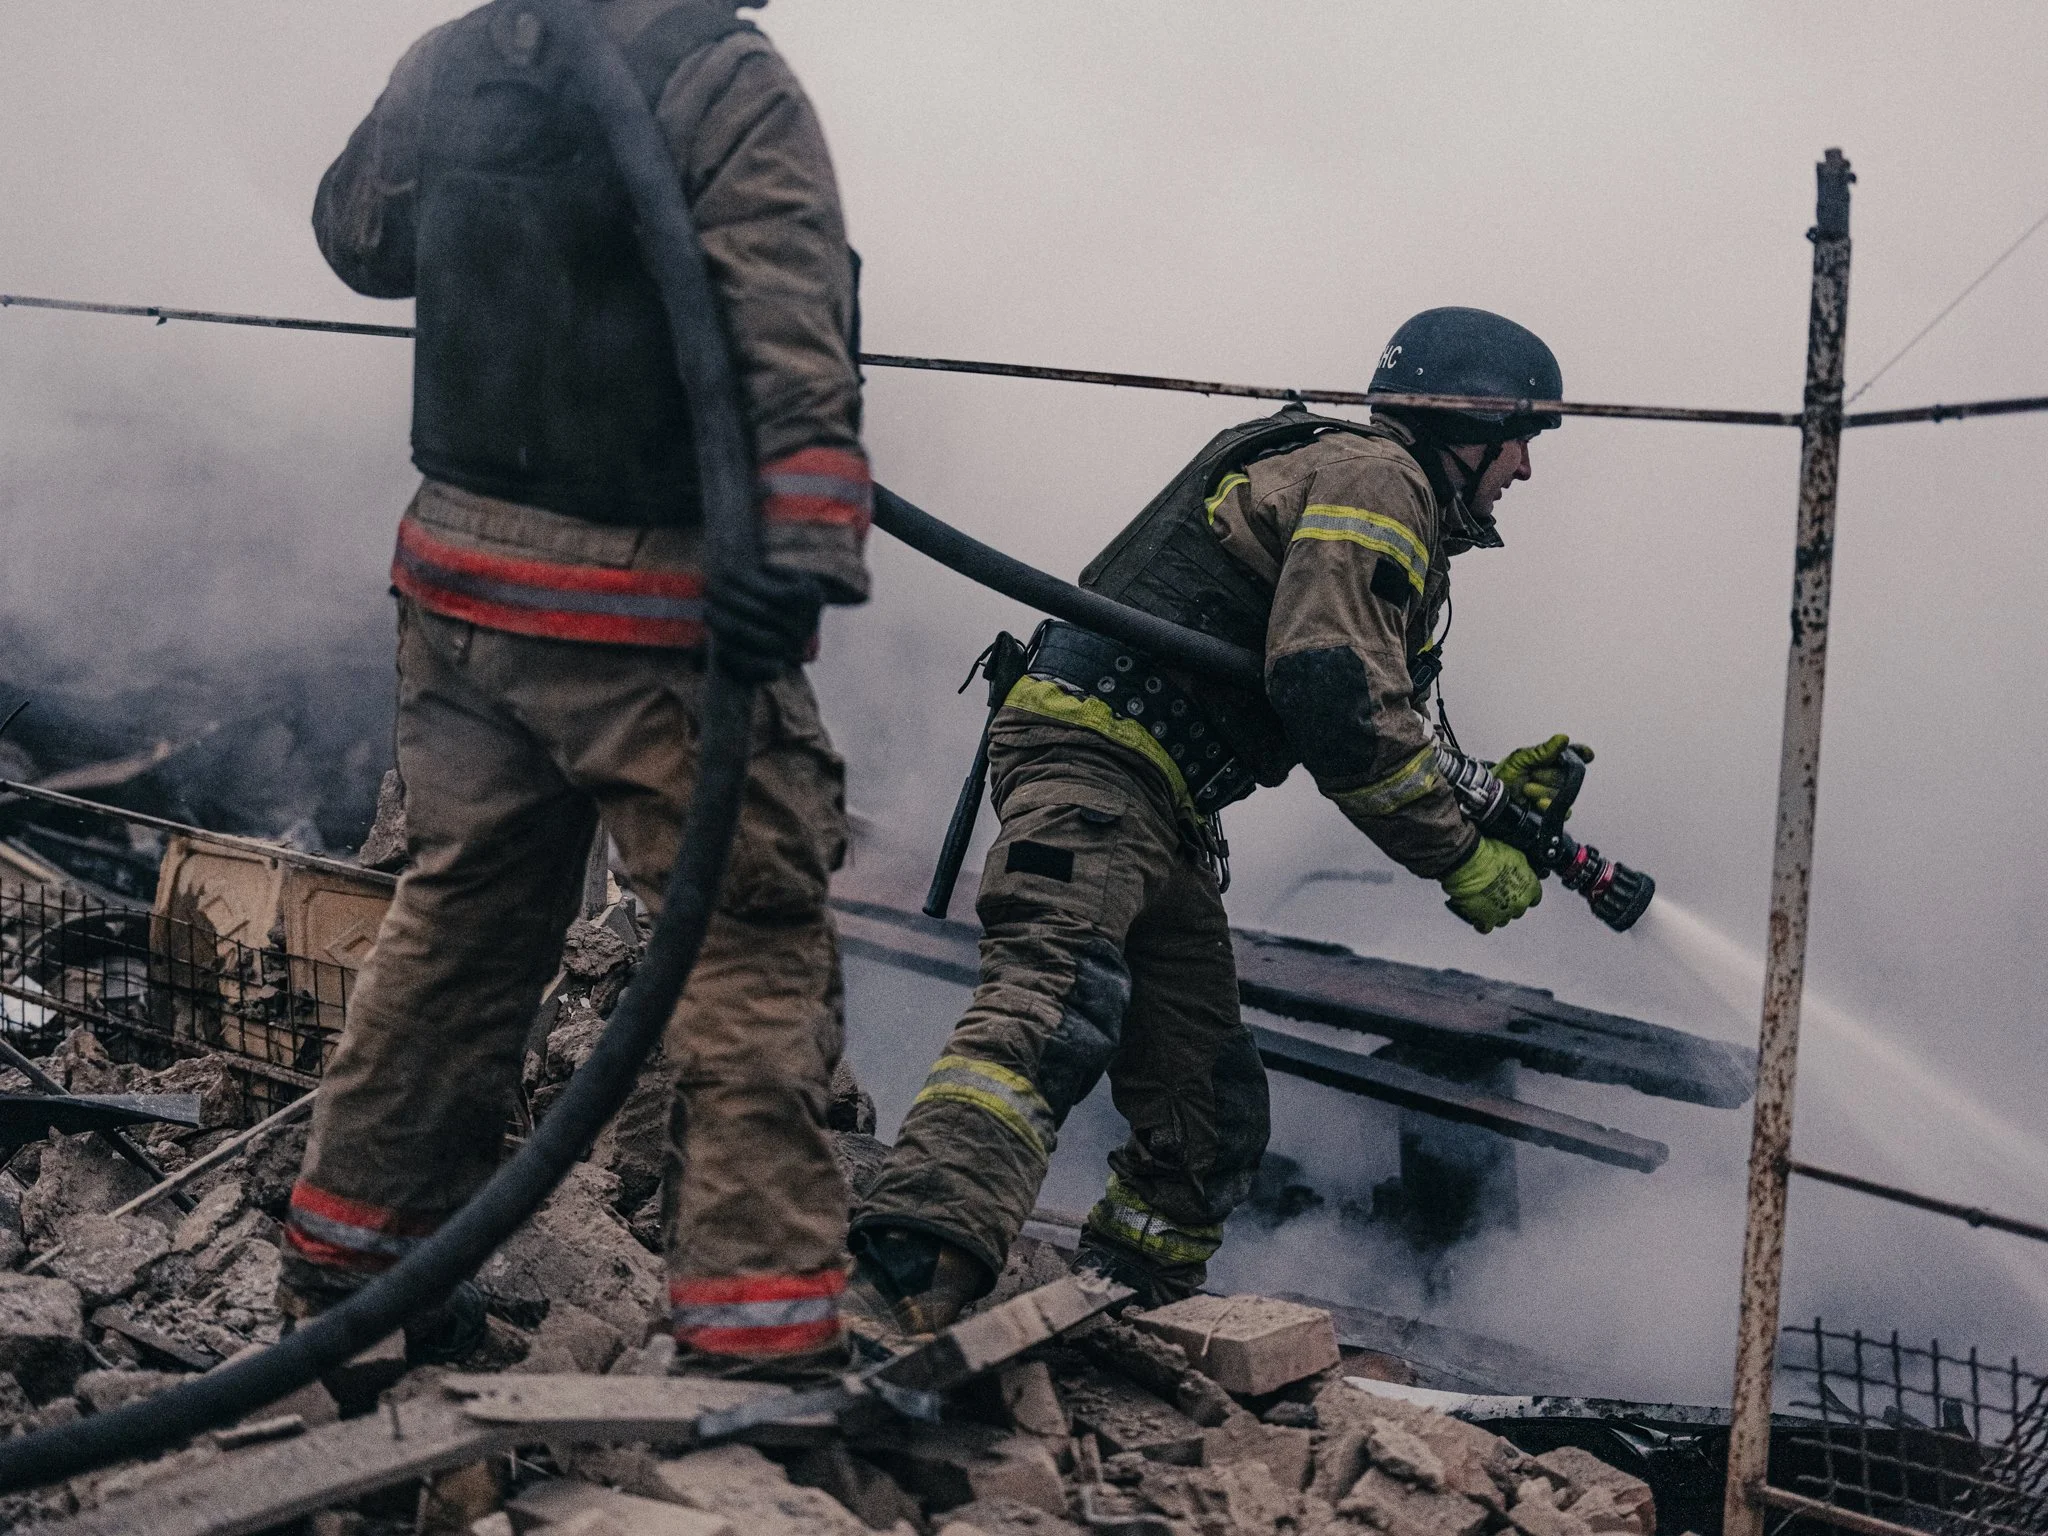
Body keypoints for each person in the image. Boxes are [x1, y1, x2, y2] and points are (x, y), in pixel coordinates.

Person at [278, 0, 870, 1380]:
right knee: (745, 950)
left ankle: (355, 1286)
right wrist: (800, 556)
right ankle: (760, 1347)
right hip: (646, 615)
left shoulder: (466, 50)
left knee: (459, 926)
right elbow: (794, 335)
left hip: (459, 582)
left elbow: (360, 242)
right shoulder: (725, 78)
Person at [849, 308, 1588, 1331]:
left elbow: (1367, 698)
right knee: (1052, 1003)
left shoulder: (1373, 492)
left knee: (1207, 1104)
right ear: (1463, 420)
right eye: (1520, 439)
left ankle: (1108, 1314)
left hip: (1159, 792)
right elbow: (1329, 696)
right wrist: (1456, 853)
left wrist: (1483, 793)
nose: (1523, 469)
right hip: (1097, 758)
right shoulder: (1378, 479)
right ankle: (896, 1285)